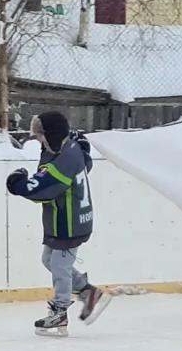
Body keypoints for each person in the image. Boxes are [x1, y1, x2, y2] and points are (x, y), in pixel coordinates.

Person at [6, 111, 110, 336]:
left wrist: (18, 184)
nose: (38, 141)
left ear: (51, 135)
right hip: (65, 219)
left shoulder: (64, 161)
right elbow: (85, 160)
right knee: (49, 260)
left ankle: (59, 314)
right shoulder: (69, 147)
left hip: (69, 223)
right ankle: (87, 292)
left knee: (60, 265)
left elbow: (42, 190)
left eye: (40, 136)